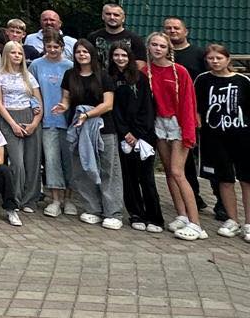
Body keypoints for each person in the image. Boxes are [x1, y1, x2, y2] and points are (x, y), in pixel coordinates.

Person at [54, 39, 126, 231]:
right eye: (78, 52)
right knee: (82, 168)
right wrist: (63, 107)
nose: (82, 55)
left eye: (85, 51)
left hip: (103, 128)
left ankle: (113, 213)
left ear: (92, 54)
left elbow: (108, 104)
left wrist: (87, 115)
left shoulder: (103, 75)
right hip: (79, 127)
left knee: (108, 169)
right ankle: (93, 208)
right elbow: (66, 99)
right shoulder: (70, 75)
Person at [144, 31, 202, 240]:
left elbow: (188, 102)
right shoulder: (145, 71)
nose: (158, 49)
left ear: (169, 49)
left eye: (162, 46)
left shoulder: (180, 71)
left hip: (178, 123)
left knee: (178, 172)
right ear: (148, 47)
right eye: (154, 45)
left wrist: (188, 131)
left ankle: (196, 224)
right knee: (169, 171)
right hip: (159, 124)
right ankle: (182, 215)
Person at [194, 44, 250, 242]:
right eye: (211, 58)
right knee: (224, 179)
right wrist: (198, 122)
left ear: (228, 59)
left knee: (247, 180)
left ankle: (249, 223)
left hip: (243, 137)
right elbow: (196, 106)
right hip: (215, 138)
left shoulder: (243, 81)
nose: (215, 61)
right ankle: (232, 220)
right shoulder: (202, 80)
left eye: (219, 58)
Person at [109, 42, 164, 232]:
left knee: (146, 178)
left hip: (143, 135)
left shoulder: (140, 78)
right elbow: (114, 110)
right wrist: (125, 133)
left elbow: (147, 108)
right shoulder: (110, 78)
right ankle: (136, 214)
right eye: (116, 55)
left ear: (130, 57)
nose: (120, 59)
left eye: (124, 55)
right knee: (128, 177)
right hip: (123, 135)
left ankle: (155, 218)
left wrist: (137, 132)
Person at [164, 15, 213, 217]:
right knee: (185, 162)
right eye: (168, 28)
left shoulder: (198, 54)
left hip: (199, 113)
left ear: (186, 31)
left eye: (176, 28)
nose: (172, 31)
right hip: (172, 116)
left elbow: (209, 81)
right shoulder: (162, 55)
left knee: (210, 157)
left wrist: (200, 111)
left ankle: (221, 203)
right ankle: (194, 197)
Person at [0, 41, 43, 214]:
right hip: (9, 118)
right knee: (17, 162)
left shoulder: (28, 76)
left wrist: (34, 123)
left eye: (20, 53)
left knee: (32, 161)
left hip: (29, 117)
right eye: (13, 53)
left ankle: (30, 199)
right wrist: (12, 124)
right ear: (6, 54)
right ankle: (15, 197)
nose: (17, 56)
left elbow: (38, 102)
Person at [30, 29, 74, 217]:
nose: (53, 50)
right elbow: (30, 90)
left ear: (62, 47)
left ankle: (69, 199)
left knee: (69, 161)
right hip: (47, 121)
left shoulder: (70, 66)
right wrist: (35, 109)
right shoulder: (36, 65)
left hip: (68, 121)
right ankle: (55, 199)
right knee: (51, 160)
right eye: (49, 46)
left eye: (56, 46)